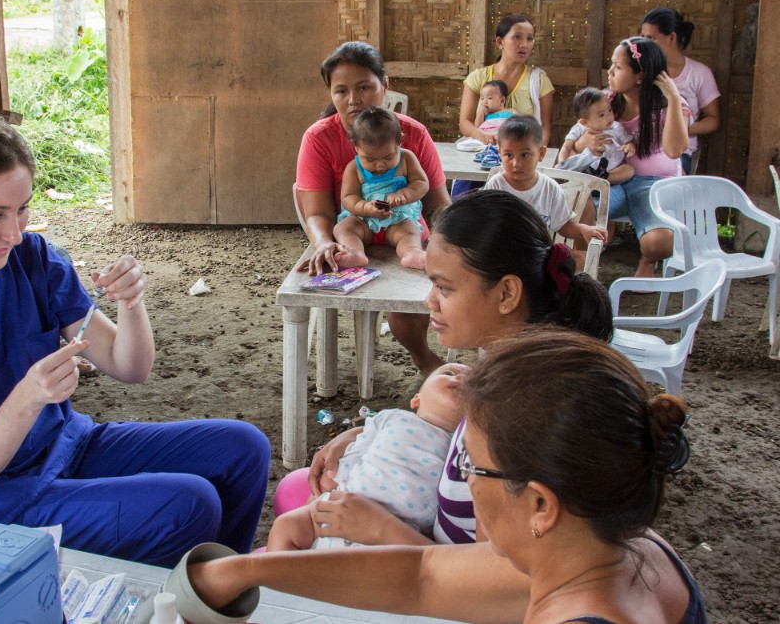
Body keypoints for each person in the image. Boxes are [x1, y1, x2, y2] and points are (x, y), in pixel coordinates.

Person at [0, 115, 270, 568]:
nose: (14, 232)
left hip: (62, 446)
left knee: (243, 449)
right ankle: (169, 603)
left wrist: (131, 304)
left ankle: (216, 597)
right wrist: (28, 397)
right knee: (187, 506)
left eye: (23, 209)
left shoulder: (30, 259)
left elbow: (131, 367)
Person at [176, 329, 704, 624]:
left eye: (471, 464)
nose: (462, 480)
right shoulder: (612, 543)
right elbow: (422, 575)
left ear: (540, 505)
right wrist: (248, 573)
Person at [275, 189, 612, 550]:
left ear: (506, 294)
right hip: (426, 547)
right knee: (295, 488)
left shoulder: (511, 424)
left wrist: (379, 528)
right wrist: (364, 436)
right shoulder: (507, 378)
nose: (428, 300)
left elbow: (494, 576)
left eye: (444, 287)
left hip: (436, 576)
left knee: (293, 513)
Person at [296, 41, 450, 377]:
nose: (353, 100)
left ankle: (423, 358)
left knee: (410, 297)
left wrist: (443, 244)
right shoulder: (319, 139)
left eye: (364, 87)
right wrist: (324, 243)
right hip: (353, 237)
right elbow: (318, 212)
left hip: (404, 233)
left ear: (385, 86)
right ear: (331, 94)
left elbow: (438, 204)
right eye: (341, 91)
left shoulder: (413, 136)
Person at [267, 364, 458, 551]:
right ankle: (274, 578)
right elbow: (357, 452)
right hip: (344, 503)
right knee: (286, 527)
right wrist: (332, 480)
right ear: (417, 399)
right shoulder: (392, 417)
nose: (459, 379)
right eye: (449, 372)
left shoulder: (464, 447)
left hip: (399, 534)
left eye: (475, 384)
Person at [570, 37, 689, 278]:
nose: (610, 71)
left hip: (651, 184)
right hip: (610, 179)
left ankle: (647, 261)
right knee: (580, 206)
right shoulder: (604, 101)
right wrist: (585, 142)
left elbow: (675, 151)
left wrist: (675, 99)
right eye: (611, 65)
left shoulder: (669, 106)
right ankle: (583, 268)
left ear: (640, 76)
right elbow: (575, 142)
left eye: (618, 66)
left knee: (660, 242)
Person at [484, 115, 607, 271]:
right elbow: (486, 223)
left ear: (541, 154)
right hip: (504, 258)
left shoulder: (550, 188)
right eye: (508, 155)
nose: (516, 163)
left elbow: (562, 225)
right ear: (500, 153)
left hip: (539, 258)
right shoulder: (496, 185)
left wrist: (584, 230)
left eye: (525, 155)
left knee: (580, 258)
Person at [453, 14, 555, 198]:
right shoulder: (478, 78)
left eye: (529, 38)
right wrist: (483, 137)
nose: (524, 44)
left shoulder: (539, 81)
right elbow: (465, 122)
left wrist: (533, 156)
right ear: (500, 42)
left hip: (520, 160)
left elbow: (545, 128)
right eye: (517, 37)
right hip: (482, 157)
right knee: (466, 202)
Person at [333, 106, 430, 270]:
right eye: (370, 159)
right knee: (343, 228)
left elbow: (421, 183)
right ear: (355, 147)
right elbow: (348, 197)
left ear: (399, 141)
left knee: (410, 232)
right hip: (364, 222)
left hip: (398, 218)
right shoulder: (354, 168)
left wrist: (404, 194)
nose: (379, 165)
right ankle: (355, 253)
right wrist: (364, 207)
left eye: (388, 157)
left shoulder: (406, 158)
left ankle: (413, 253)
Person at [642, 7, 721, 175]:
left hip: (678, 153)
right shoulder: (642, 71)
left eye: (651, 38)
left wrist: (681, 130)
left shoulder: (699, 74)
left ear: (672, 37)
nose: (645, 44)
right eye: (643, 37)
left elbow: (713, 119)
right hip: (642, 147)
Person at [558, 86, 636, 186]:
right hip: (586, 168)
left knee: (629, 169)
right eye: (601, 115)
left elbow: (628, 141)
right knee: (561, 166)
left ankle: (602, 178)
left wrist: (629, 147)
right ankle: (579, 177)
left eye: (609, 110)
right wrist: (562, 163)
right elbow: (566, 147)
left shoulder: (616, 127)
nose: (608, 117)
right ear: (584, 122)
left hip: (610, 169)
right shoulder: (580, 129)